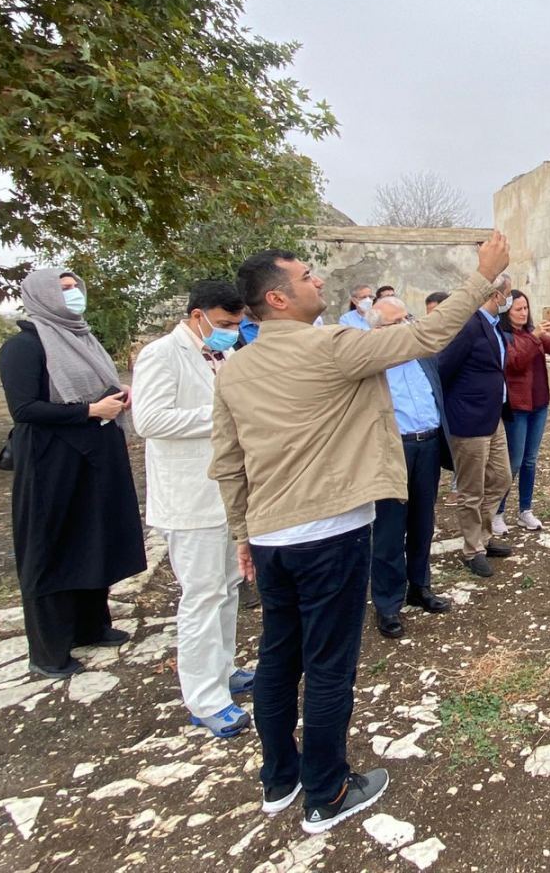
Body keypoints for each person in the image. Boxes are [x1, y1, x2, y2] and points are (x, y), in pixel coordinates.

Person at [210, 233, 509, 835]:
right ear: (277, 297)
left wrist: (244, 533)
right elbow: (425, 336)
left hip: (273, 539)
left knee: (277, 657)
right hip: (329, 534)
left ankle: (279, 779)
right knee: (327, 666)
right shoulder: (331, 347)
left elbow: (228, 461)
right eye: (305, 275)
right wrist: (481, 278)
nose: (317, 280)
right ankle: (327, 792)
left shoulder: (235, 369)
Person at [0, 270, 146, 679]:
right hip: (51, 462)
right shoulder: (24, 346)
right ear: (42, 296)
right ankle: (48, 651)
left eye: (75, 286)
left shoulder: (80, 337)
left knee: (92, 538)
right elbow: (24, 409)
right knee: (51, 547)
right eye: (63, 289)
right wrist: (88, 411)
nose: (73, 295)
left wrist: (117, 396)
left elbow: (95, 387)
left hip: (93, 455)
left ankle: (90, 626)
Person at [132, 280, 256, 738]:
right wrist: (220, 413)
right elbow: (149, 419)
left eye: (237, 325)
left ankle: (224, 671)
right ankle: (204, 699)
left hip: (229, 493)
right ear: (196, 314)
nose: (231, 332)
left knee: (226, 588)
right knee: (202, 596)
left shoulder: (223, 354)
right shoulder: (162, 354)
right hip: (191, 495)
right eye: (224, 324)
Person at [339, 294, 453, 639]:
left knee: (423, 521)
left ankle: (420, 586)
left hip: (428, 444)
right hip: (393, 450)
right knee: (389, 529)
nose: (407, 326)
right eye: (397, 322)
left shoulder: (423, 356)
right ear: (377, 330)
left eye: (409, 319)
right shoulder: (370, 364)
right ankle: (388, 604)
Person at [437, 274, 515, 576]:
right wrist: (456, 406)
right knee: (471, 489)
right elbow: (443, 369)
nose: (508, 300)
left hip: (493, 417)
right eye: (506, 294)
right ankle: (472, 549)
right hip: (468, 420)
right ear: (496, 296)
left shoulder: (493, 327)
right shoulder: (468, 326)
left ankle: (483, 534)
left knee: (501, 478)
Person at [496, 290, 550, 532]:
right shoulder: (503, 336)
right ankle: (498, 511)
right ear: (507, 311)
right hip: (518, 406)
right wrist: (536, 336)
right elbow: (515, 361)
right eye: (518, 309)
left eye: (526, 308)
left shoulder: (531, 333)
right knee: (513, 462)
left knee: (530, 460)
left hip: (539, 403)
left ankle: (525, 510)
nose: (523, 313)